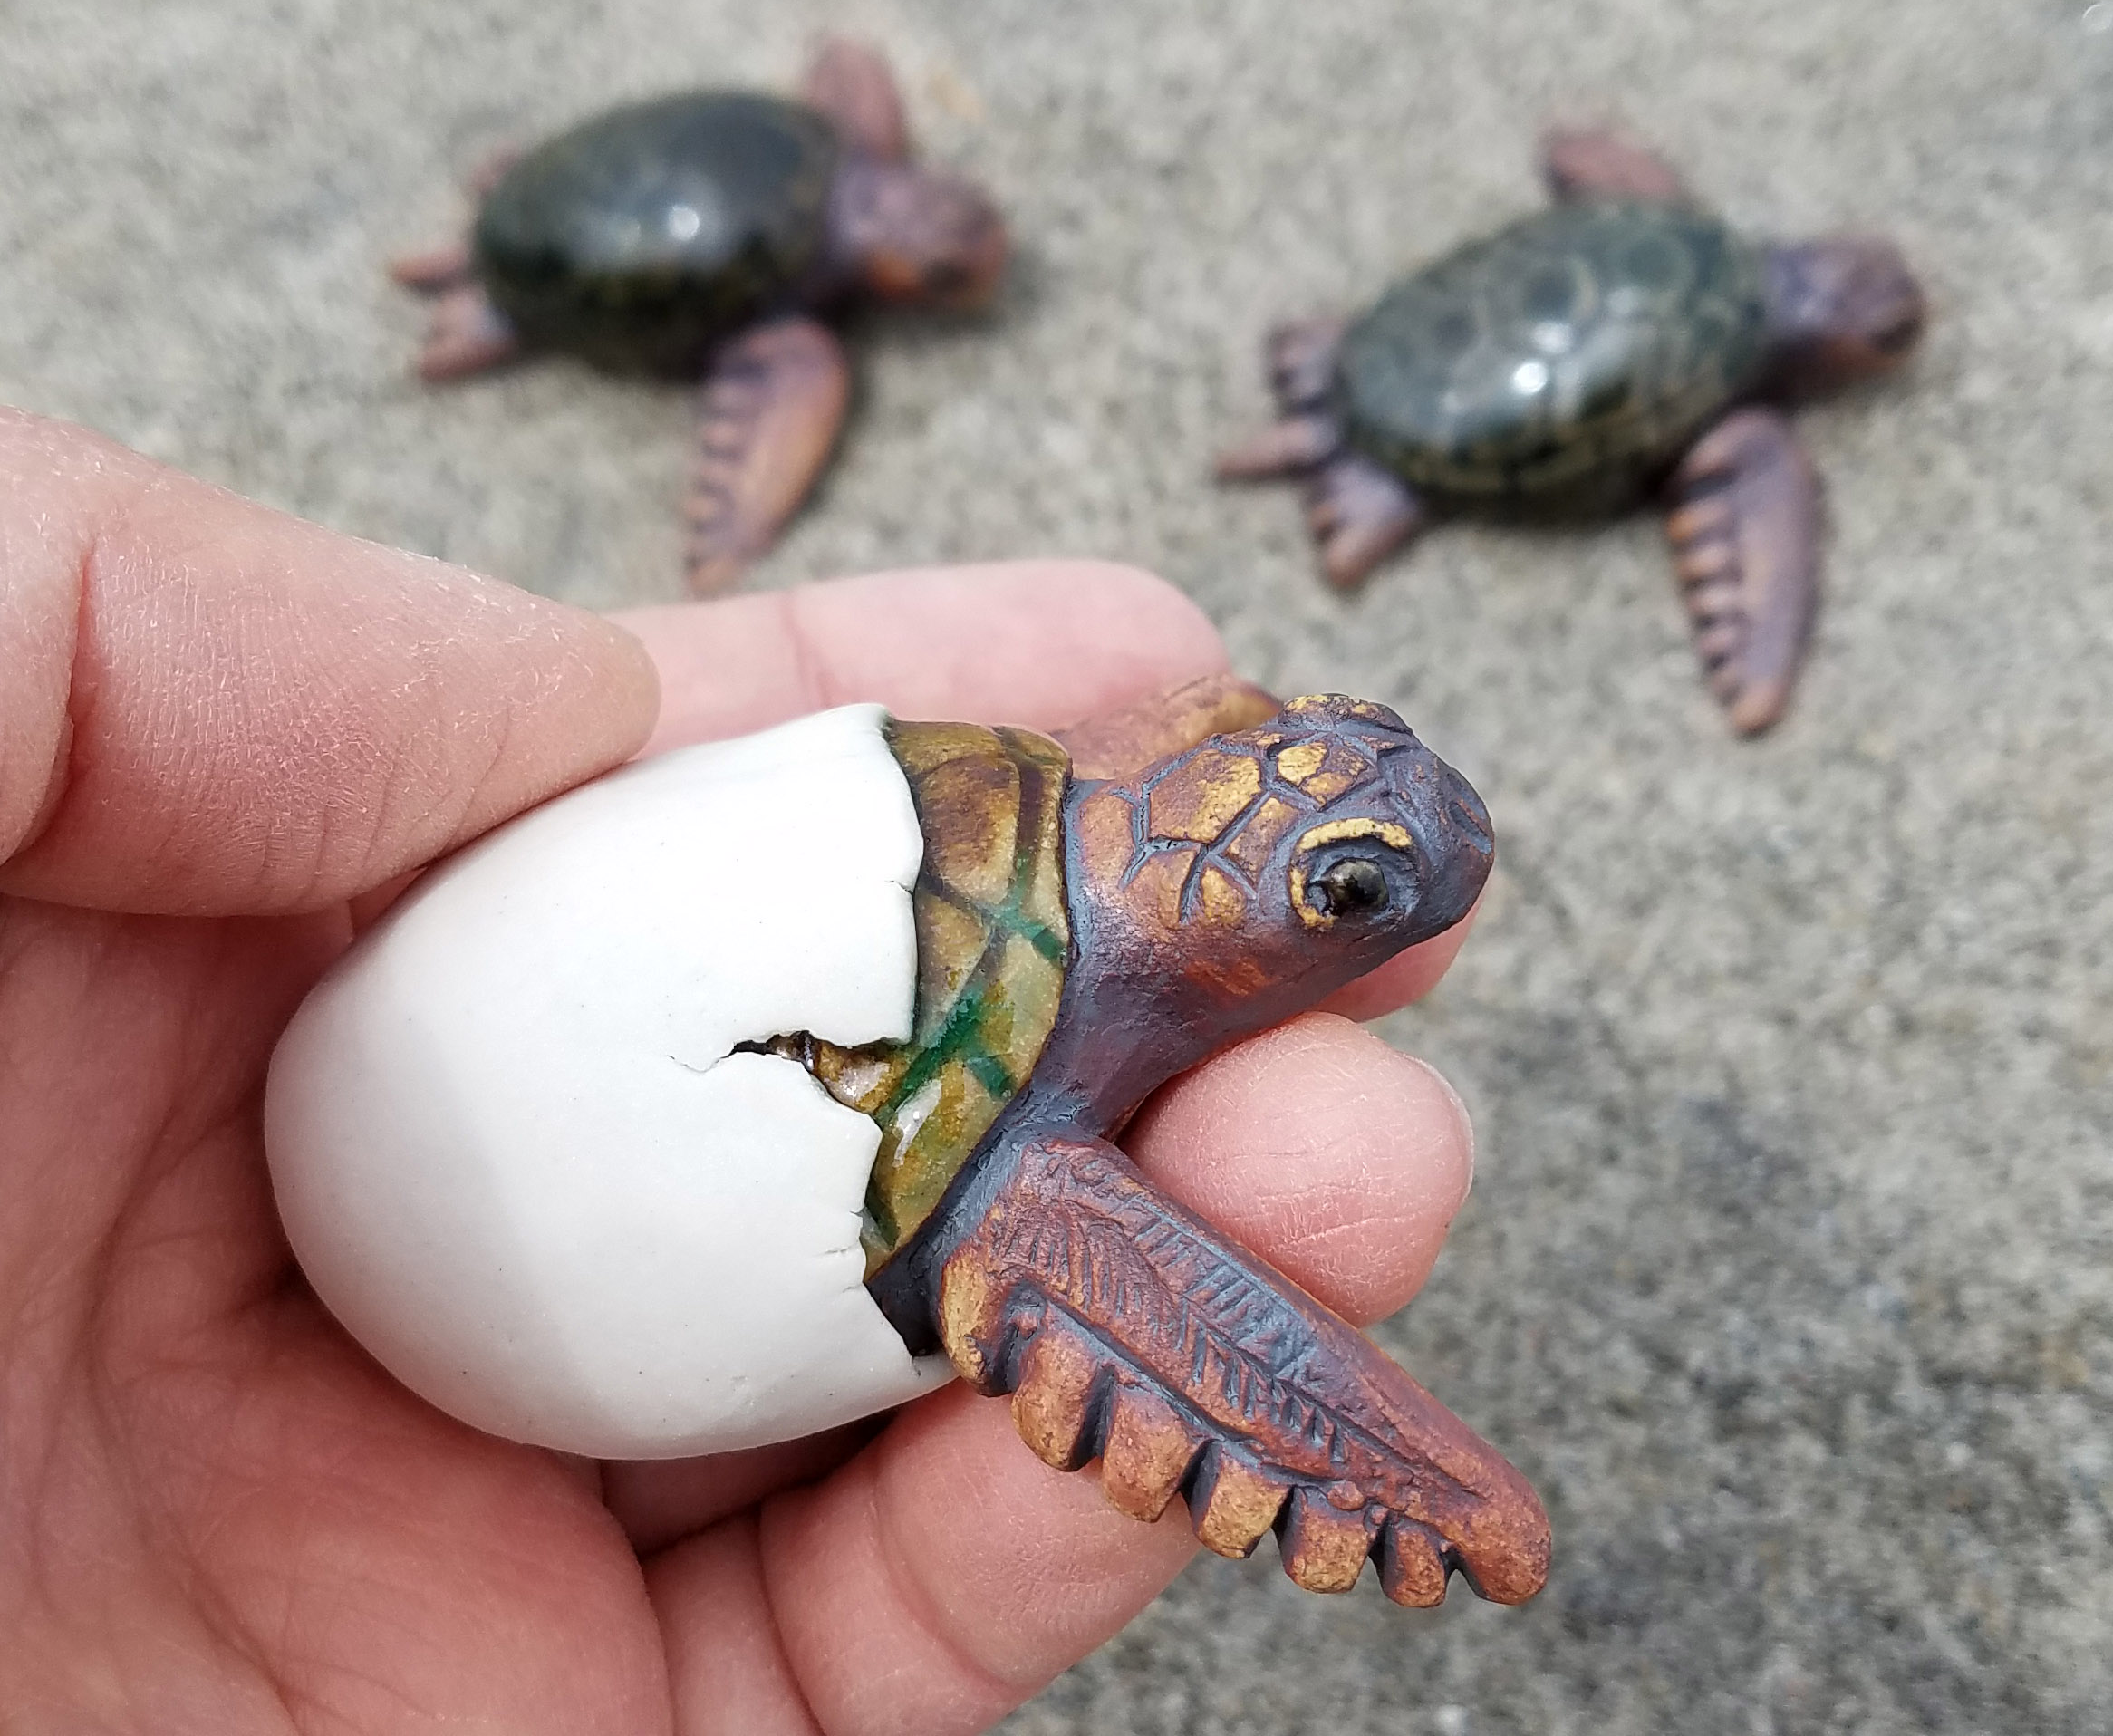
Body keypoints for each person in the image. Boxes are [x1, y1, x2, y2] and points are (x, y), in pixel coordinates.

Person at [0, 406, 1482, 1733]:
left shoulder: (1024, 788)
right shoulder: (1024, 1162)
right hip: (540, 1236)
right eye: (1343, 889)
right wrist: (1408, 1483)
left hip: (442, 1183)